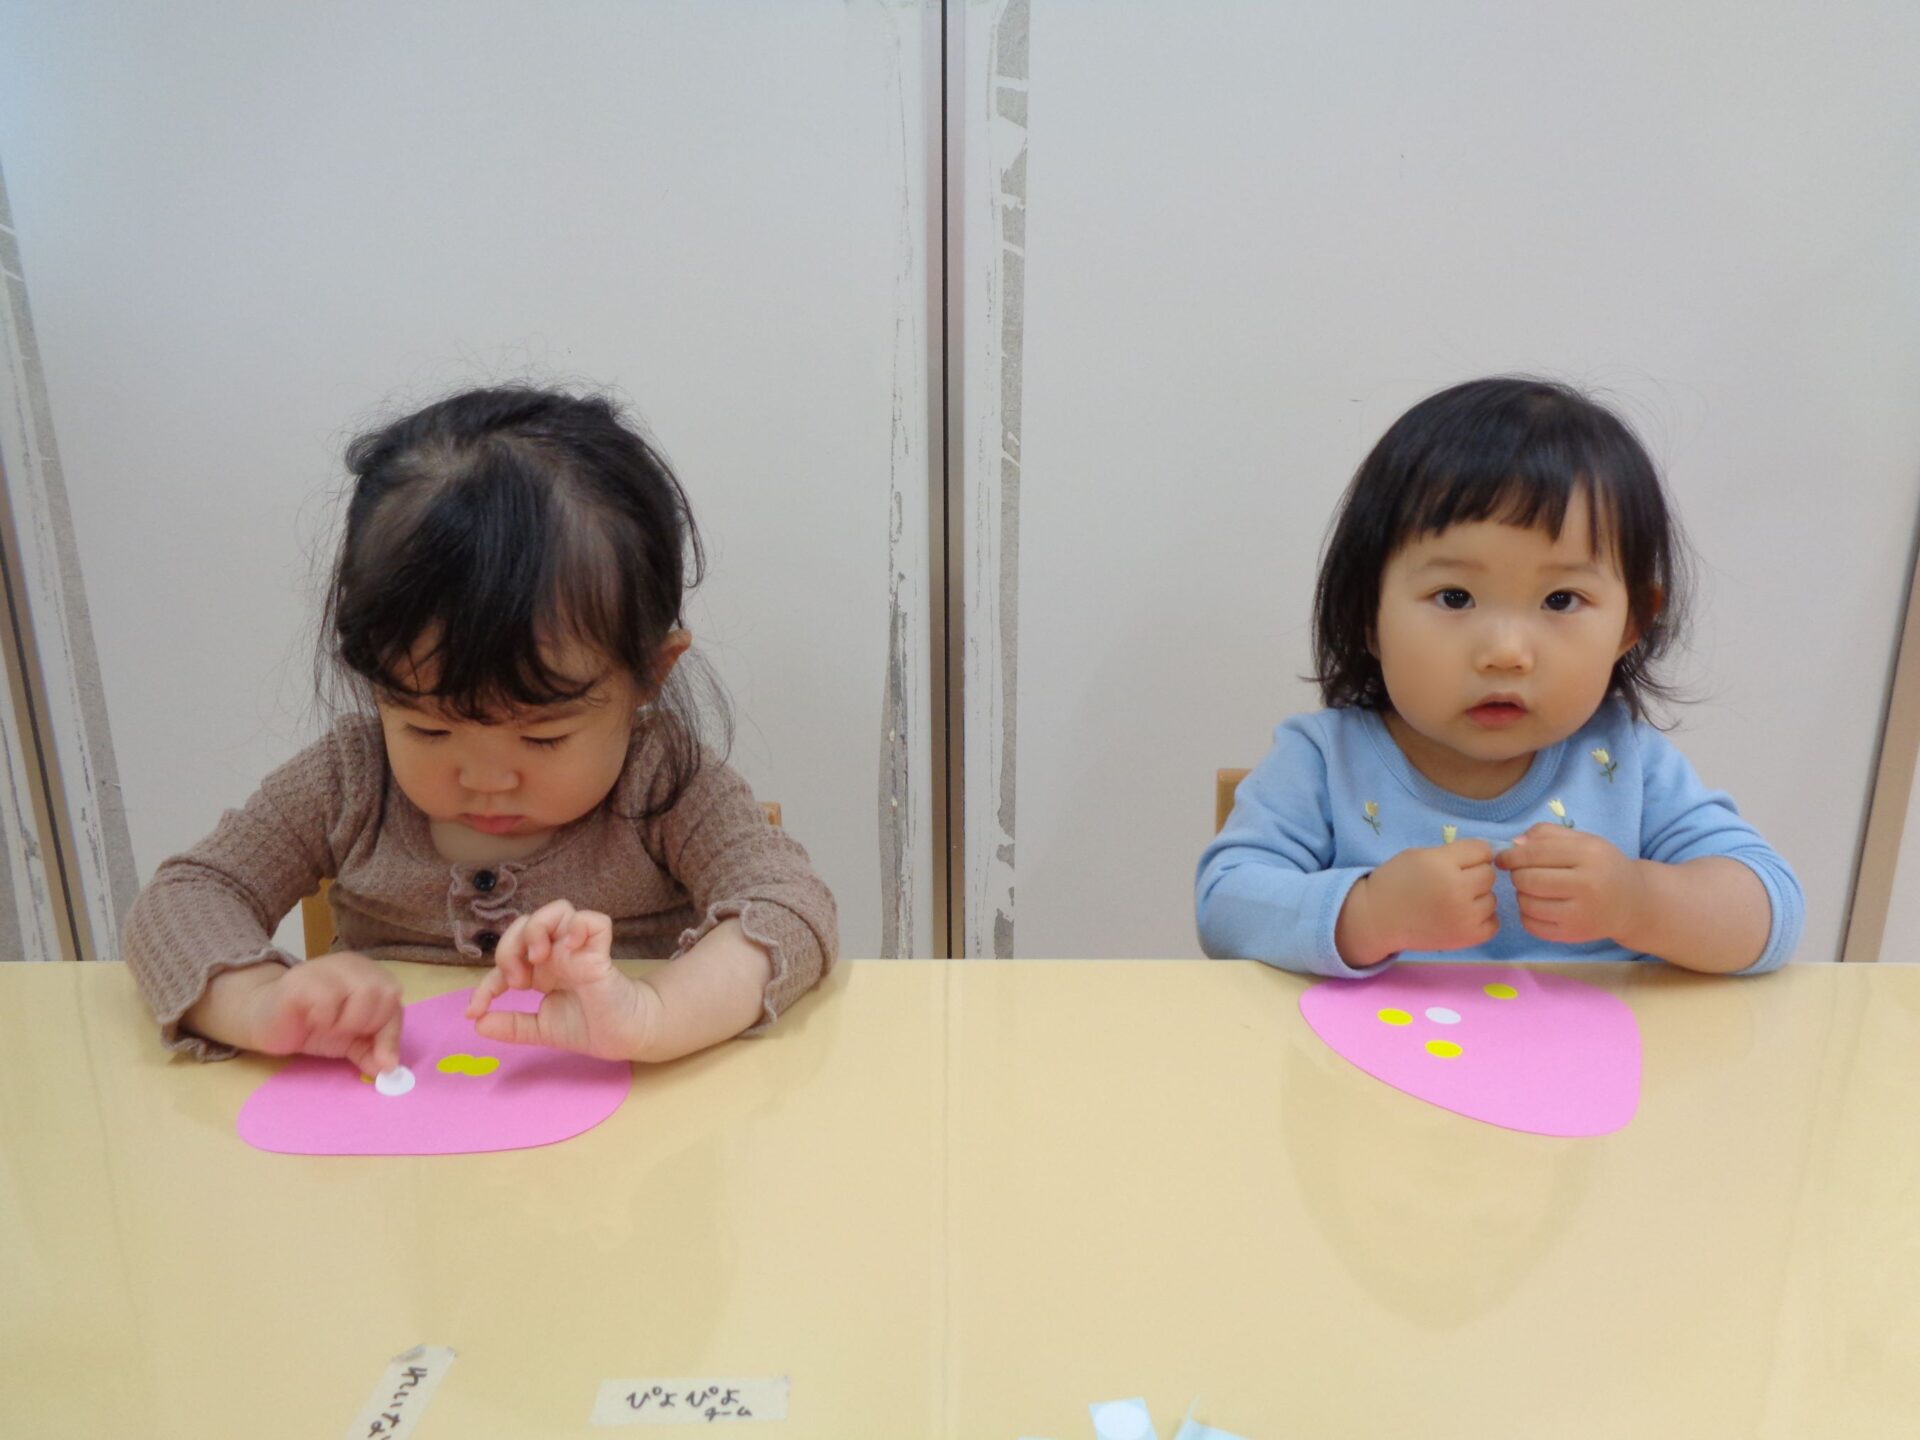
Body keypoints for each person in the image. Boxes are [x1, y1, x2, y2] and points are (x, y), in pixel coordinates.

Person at [124, 385, 837, 1071]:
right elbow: (186, 897)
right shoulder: (348, 778)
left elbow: (790, 907)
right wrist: (259, 1002)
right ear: (375, 678)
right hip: (395, 1127)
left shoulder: (664, 783)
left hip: (631, 1128)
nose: (486, 779)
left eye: (543, 737)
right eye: (428, 730)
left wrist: (653, 1013)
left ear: (650, 672)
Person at [1196, 376, 1801, 977]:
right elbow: (1224, 908)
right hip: (1369, 1043)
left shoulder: (1627, 765)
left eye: (1561, 599)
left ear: (1629, 627)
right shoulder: (1325, 762)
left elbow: (1772, 913)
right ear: (1367, 615)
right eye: (1455, 597)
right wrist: (1368, 913)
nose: (1506, 653)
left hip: (1589, 1041)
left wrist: (1639, 902)